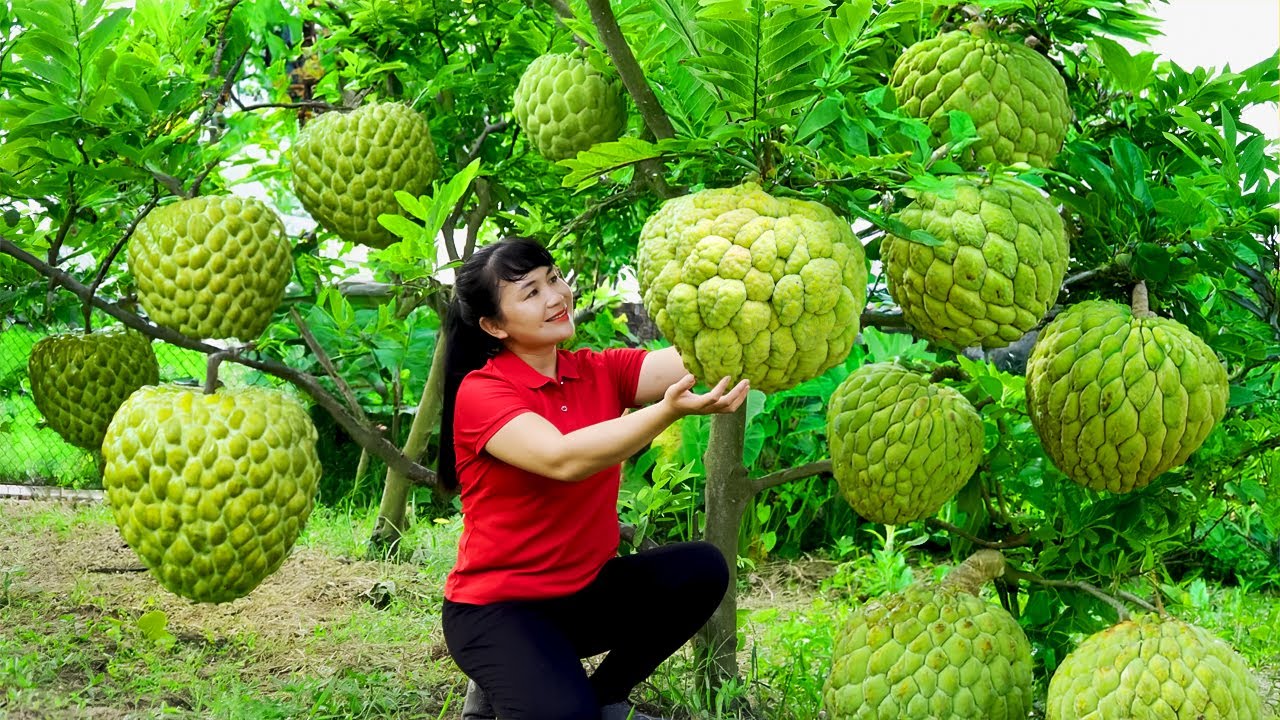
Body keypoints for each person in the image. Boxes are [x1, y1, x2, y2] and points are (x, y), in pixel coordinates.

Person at [439, 237, 750, 720]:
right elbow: (562, 459)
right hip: (499, 610)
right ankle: (530, 690)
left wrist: (744, 281)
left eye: (554, 278)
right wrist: (665, 413)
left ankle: (600, 695)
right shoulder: (483, 392)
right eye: (531, 292)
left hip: (584, 596)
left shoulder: (599, 370)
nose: (556, 296)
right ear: (493, 326)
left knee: (701, 569)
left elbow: (695, 358)